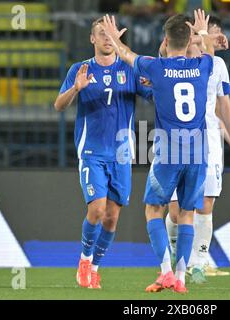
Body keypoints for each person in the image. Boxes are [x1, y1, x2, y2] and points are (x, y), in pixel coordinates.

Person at [101, 10, 230, 293]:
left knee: (154, 209)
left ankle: (166, 272)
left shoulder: (156, 68)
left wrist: (114, 40)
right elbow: (207, 52)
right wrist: (205, 33)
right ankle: (181, 278)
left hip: (169, 151)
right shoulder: (205, 65)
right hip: (198, 152)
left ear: (166, 41)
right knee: (188, 214)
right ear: (189, 39)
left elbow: (127, 55)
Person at [163, 15, 230, 283]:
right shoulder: (176, 56)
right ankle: (175, 251)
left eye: (214, 31)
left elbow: (223, 108)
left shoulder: (216, 65)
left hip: (209, 139)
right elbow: (163, 49)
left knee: (206, 202)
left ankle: (199, 263)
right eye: (210, 31)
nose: (215, 36)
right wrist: (201, 36)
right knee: (175, 209)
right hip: (176, 138)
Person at [54, 17, 152, 289]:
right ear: (92, 39)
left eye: (111, 34)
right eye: (102, 34)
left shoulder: (129, 69)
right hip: (92, 152)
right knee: (96, 209)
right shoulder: (80, 69)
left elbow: (153, 94)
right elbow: (59, 105)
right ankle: (84, 262)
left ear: (118, 38)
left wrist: (156, 76)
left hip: (121, 154)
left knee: (111, 217)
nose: (107, 38)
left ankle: (94, 269)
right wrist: (76, 88)